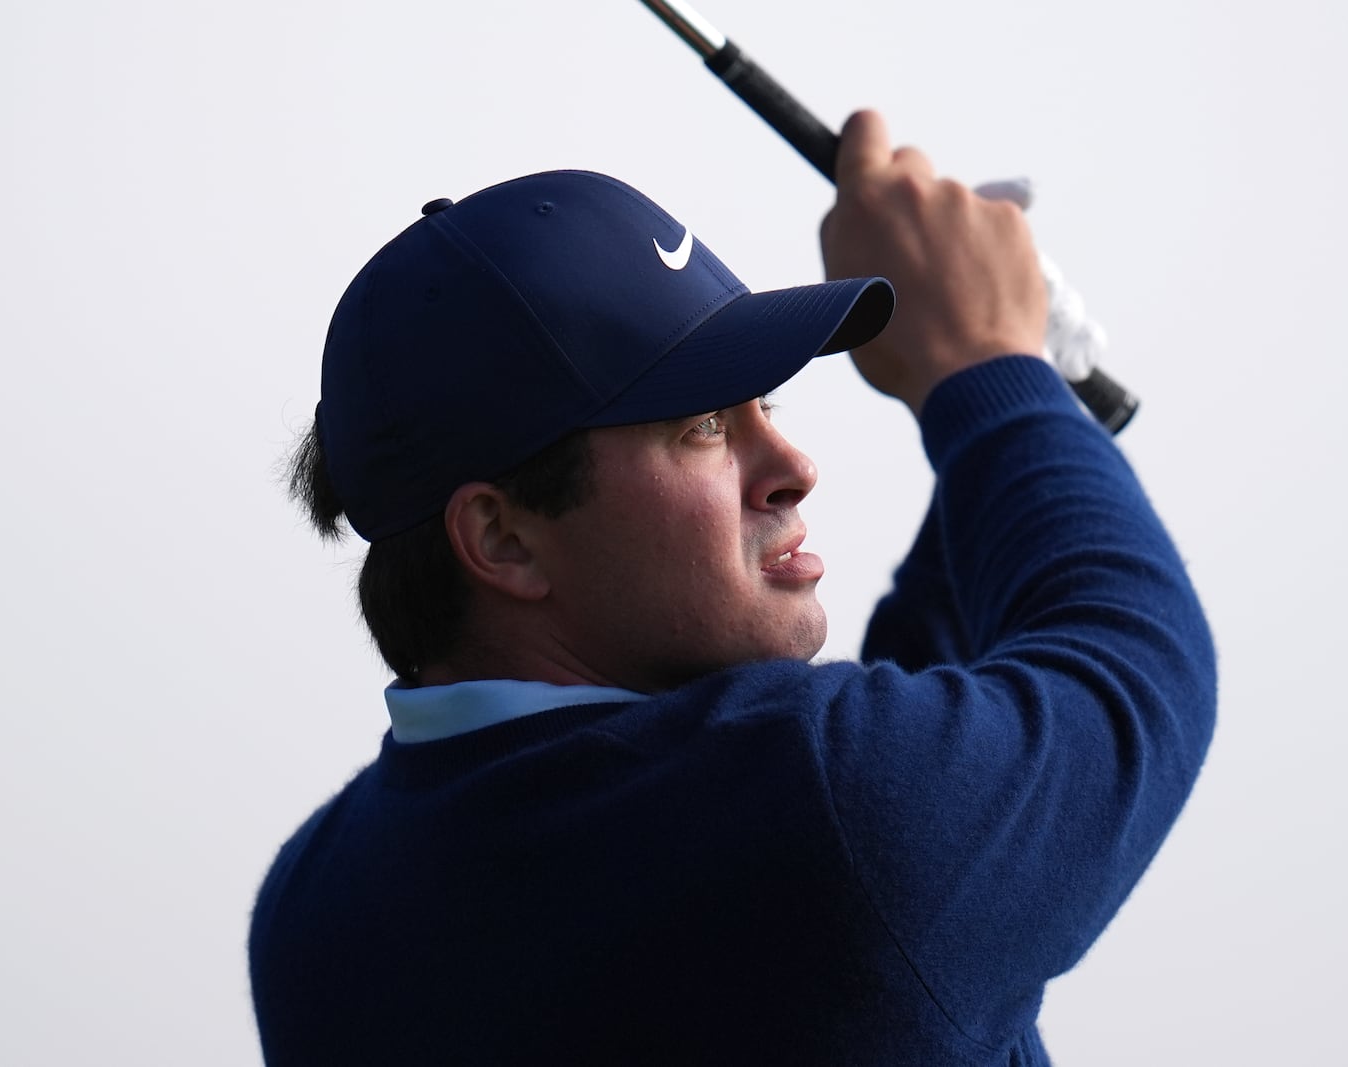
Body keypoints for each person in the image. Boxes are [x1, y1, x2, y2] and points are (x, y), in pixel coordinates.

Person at [249, 110, 1216, 1066]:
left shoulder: (313, 907)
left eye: (769, 404)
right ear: (502, 538)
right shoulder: (824, 811)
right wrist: (989, 368)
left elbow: (890, 784)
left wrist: (1005, 398)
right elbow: (1131, 668)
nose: (791, 463)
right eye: (705, 424)